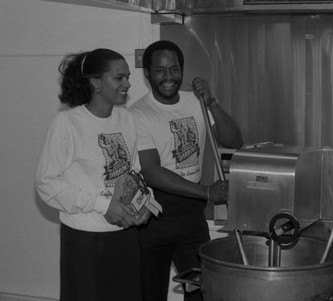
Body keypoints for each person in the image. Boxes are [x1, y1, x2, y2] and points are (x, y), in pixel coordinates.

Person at [129, 40, 244, 301]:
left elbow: (234, 140)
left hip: (191, 214)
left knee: (201, 289)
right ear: (147, 74)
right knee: (150, 291)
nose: (168, 76)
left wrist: (212, 102)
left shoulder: (197, 102)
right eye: (160, 70)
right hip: (153, 213)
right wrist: (206, 192)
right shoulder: (138, 114)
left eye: (174, 69)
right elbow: (151, 170)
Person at [35, 48, 150, 301]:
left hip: (125, 237)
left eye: (127, 77)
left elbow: (135, 173)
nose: (128, 83)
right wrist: (103, 205)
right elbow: (47, 184)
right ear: (96, 82)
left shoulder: (127, 118)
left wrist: (145, 204)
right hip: (85, 241)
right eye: (118, 78)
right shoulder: (66, 124)